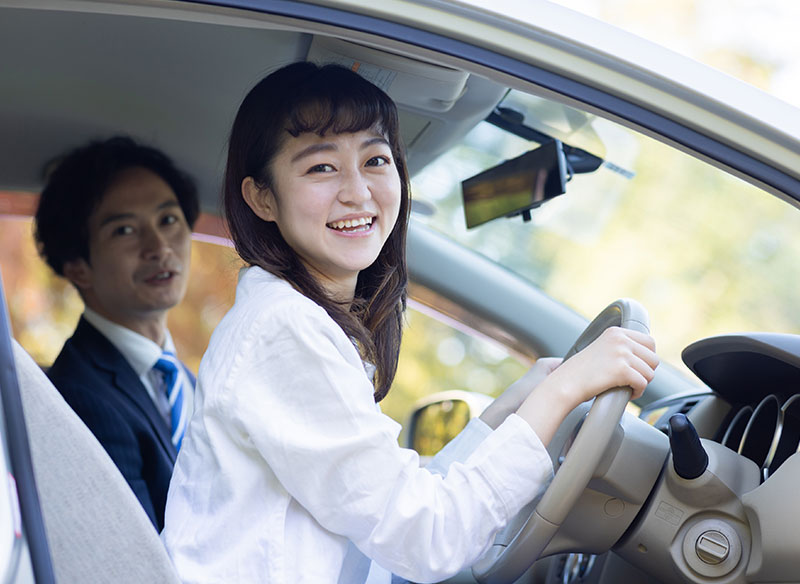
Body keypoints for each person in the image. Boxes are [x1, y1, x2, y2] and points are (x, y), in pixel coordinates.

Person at [162, 62, 658, 583]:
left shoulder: (299, 321)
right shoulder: (283, 330)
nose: (358, 192)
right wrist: (562, 394)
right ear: (262, 197)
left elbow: (402, 506)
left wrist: (517, 401)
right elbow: (426, 539)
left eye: (375, 160)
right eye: (322, 168)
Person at [34, 136, 199, 531]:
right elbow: (135, 553)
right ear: (77, 267)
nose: (159, 247)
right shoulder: (80, 398)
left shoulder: (188, 381)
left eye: (168, 220)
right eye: (125, 230)